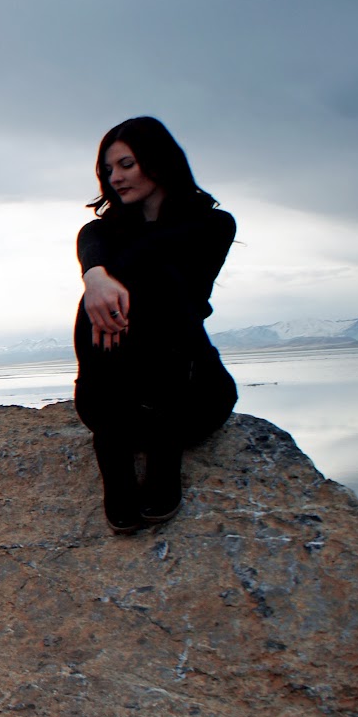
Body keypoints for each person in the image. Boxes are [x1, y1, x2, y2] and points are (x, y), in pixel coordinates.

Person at [73, 117, 237, 533]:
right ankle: (112, 455)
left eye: (126, 164)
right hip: (114, 402)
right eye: (108, 169)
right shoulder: (103, 234)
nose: (115, 177)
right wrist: (94, 277)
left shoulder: (213, 225)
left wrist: (100, 273)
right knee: (101, 298)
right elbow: (93, 236)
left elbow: (164, 264)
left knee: (157, 283)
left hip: (189, 394)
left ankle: (165, 455)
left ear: (159, 162)